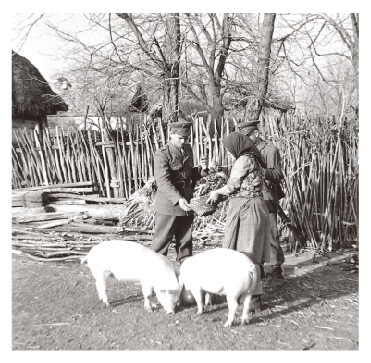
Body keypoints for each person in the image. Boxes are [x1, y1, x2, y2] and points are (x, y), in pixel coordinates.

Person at [207, 132, 273, 311]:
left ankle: (253, 299)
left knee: (247, 253)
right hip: (253, 207)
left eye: (228, 149)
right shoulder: (253, 157)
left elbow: (232, 186)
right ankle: (244, 294)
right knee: (249, 252)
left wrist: (216, 193)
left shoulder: (243, 160)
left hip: (248, 210)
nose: (228, 153)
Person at [151, 120, 208, 264]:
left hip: (187, 202)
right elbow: (163, 181)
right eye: (180, 138)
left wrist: (202, 170)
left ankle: (186, 274)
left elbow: (189, 176)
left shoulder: (187, 150)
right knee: (161, 241)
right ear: (171, 134)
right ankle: (154, 277)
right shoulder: (162, 154)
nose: (183, 141)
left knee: (185, 242)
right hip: (169, 204)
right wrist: (178, 199)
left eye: (186, 138)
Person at [238, 120, 285, 288]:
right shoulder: (246, 152)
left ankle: (276, 271)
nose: (245, 140)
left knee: (271, 235)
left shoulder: (270, 150)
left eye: (248, 136)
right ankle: (259, 269)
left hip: (267, 197)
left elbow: (278, 174)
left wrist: (260, 170)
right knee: (254, 235)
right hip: (251, 198)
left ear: (255, 134)